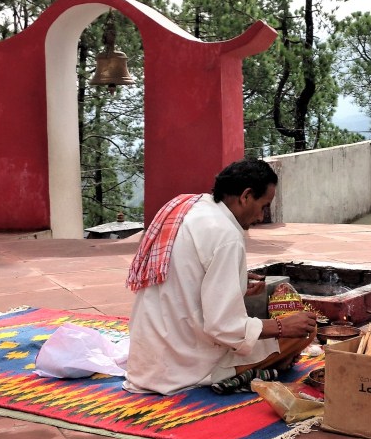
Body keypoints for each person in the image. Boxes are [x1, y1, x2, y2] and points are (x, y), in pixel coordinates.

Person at [123, 158, 317, 395]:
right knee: (305, 331)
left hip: (145, 359)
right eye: (263, 206)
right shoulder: (226, 235)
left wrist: (238, 283)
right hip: (183, 366)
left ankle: (269, 361)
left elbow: (189, 278)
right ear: (246, 196)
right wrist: (281, 326)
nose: (261, 217)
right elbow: (223, 327)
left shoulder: (187, 206)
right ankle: (251, 369)